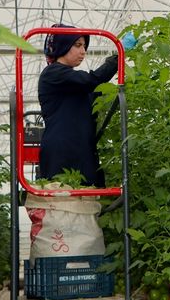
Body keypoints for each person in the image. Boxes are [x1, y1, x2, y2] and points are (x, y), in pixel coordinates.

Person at [38, 23, 136, 187]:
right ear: (63, 46)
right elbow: (92, 80)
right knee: (65, 202)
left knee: (88, 204)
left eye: (84, 46)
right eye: (77, 45)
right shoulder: (53, 73)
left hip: (82, 150)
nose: (83, 51)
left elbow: (95, 90)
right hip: (63, 153)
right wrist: (119, 55)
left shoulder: (75, 81)